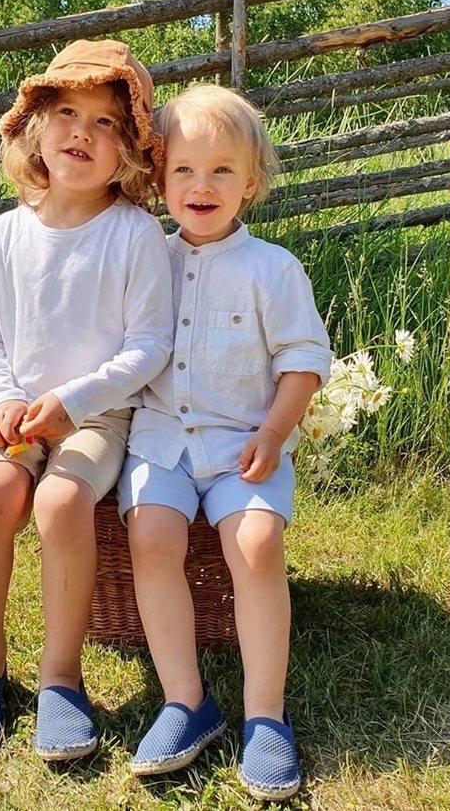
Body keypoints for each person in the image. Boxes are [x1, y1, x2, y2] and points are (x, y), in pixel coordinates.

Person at [0, 39, 174, 758]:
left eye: (107, 123)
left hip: (97, 415)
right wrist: (0, 398)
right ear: (37, 127)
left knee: (61, 501)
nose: (83, 132)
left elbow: (148, 348)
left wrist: (74, 401)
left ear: (131, 151)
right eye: (68, 111)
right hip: (17, 412)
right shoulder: (8, 234)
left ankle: (60, 677)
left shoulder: (135, 235)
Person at [119, 83, 332, 802]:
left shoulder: (273, 268)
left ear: (252, 182)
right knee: (151, 533)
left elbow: (303, 362)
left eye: (220, 171)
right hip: (160, 443)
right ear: (159, 178)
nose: (200, 186)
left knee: (258, 543)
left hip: (246, 443)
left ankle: (265, 715)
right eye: (183, 170)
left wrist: (276, 431)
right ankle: (186, 700)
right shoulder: (146, 255)